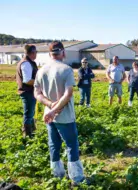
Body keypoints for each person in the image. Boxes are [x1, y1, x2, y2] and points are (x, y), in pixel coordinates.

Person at [34, 41, 85, 185]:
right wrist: (55, 109)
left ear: (50, 54)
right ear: (63, 52)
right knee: (71, 145)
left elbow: (37, 93)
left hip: (48, 117)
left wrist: (50, 107)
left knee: (53, 144)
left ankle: (57, 174)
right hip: (65, 117)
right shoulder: (66, 69)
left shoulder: (41, 70)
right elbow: (68, 94)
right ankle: (76, 178)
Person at [16, 44, 38, 138]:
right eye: (36, 52)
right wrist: (39, 83)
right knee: (28, 114)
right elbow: (27, 80)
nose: (36, 54)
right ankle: (27, 135)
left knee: (30, 113)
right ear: (32, 53)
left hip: (29, 92)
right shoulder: (26, 63)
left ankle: (31, 132)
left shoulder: (28, 62)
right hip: (27, 92)